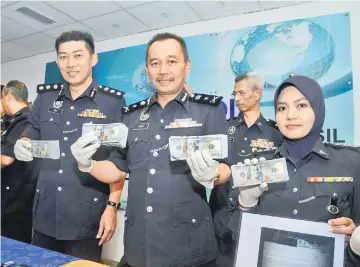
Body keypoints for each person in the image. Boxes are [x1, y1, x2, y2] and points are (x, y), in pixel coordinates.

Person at [70, 32, 232, 267]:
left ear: (187, 66)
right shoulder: (133, 116)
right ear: (147, 69)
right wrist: (88, 164)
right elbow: (117, 169)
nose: (163, 70)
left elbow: (226, 168)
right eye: (155, 63)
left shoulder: (208, 111)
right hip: (140, 245)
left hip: (188, 246)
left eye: (172, 61)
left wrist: (213, 173)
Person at [13, 30, 126, 262]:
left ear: (93, 59)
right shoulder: (45, 99)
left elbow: (119, 160)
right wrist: (23, 142)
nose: (70, 63)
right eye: (63, 57)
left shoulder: (112, 103)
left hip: (86, 216)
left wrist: (112, 206)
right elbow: (32, 130)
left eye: (77, 55)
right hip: (45, 212)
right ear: (57, 61)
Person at [237, 75, 360, 266]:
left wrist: (354, 241)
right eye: (282, 108)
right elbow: (235, 237)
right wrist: (245, 204)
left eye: (301, 105)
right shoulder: (259, 163)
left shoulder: (351, 162)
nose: (290, 115)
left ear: (317, 109)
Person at [209, 72, 283, 266]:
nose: (237, 99)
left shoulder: (276, 134)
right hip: (220, 219)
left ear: (257, 94)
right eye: (235, 94)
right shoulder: (223, 129)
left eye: (242, 93)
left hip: (257, 219)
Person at [1, 80, 39, 244]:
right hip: (15, 195)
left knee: (12, 246)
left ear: (8, 96)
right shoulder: (18, 119)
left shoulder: (24, 120)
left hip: (17, 199)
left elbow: (6, 159)